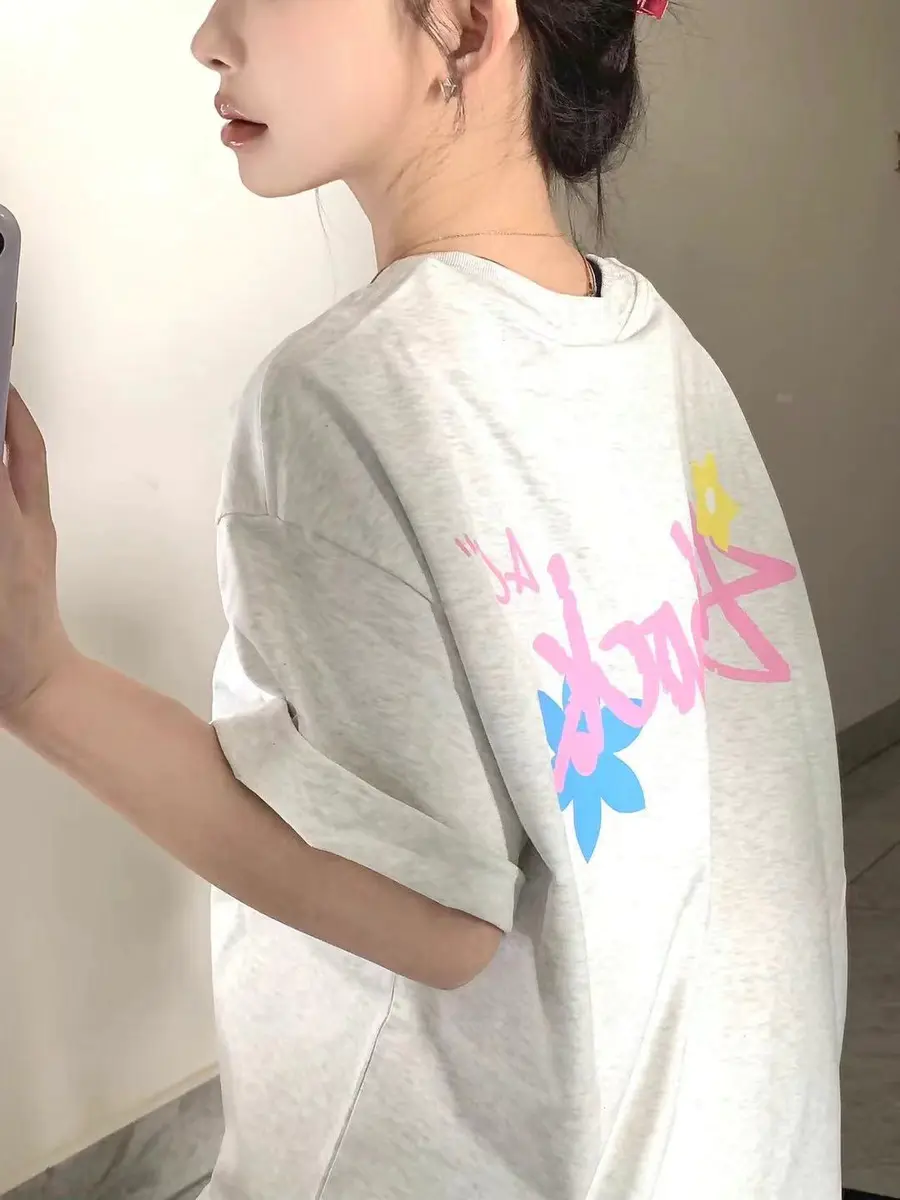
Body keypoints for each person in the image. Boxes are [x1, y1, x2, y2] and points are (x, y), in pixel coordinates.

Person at [0, 1, 848, 1196]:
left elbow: (428, 914)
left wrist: (40, 683)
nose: (209, 36)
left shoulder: (348, 389)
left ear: (464, 23)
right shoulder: (654, 346)